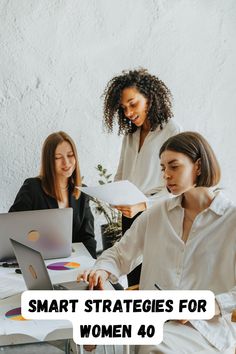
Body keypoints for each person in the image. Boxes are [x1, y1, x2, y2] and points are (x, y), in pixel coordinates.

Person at [81, 132, 236, 353]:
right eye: (163, 168)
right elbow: (119, 254)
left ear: (198, 166)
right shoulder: (156, 214)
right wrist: (102, 271)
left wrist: (209, 306)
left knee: (153, 343)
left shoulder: (231, 221)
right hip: (154, 319)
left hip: (206, 331)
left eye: (174, 166)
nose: (166, 175)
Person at [103, 68, 181, 285]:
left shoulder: (171, 131)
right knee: (134, 281)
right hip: (129, 215)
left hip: (156, 214)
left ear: (149, 98)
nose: (128, 112)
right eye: (123, 107)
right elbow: (121, 173)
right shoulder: (131, 135)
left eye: (133, 104)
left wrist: (143, 205)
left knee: (153, 281)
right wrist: (115, 196)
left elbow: (178, 188)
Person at [9, 131, 97, 259]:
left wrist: (90, 266)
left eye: (70, 155)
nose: (66, 162)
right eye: (58, 157)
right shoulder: (32, 187)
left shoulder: (82, 192)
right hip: (39, 262)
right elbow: (12, 229)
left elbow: (88, 238)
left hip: (72, 263)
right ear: (49, 160)